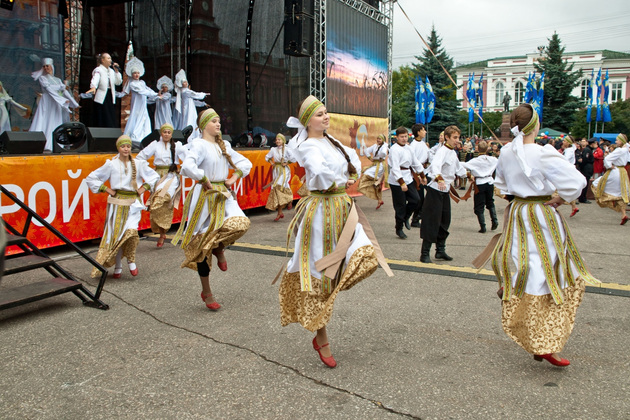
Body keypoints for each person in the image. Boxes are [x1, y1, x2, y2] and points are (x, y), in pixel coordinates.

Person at [480, 103, 599, 367]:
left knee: (529, 262)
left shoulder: (507, 152)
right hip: (541, 213)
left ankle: (522, 304)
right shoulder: (543, 152)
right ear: (535, 125)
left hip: (519, 212)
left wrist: (519, 195)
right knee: (552, 271)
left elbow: (500, 186)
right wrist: (561, 197)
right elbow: (577, 182)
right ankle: (544, 340)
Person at [279, 95, 390, 368]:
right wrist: (337, 180)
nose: (326, 117)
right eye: (319, 114)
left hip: (342, 208)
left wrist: (349, 176)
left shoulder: (333, 142)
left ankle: (327, 307)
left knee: (365, 257)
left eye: (326, 112)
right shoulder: (308, 145)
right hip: (320, 212)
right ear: (308, 121)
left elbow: (352, 161)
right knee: (319, 275)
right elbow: (317, 171)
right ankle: (322, 337)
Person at [173, 108, 252, 311]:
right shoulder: (198, 144)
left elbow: (245, 163)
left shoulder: (224, 145)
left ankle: (218, 246)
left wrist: (233, 178)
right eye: (214, 121)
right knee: (202, 246)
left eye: (219, 121)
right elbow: (187, 166)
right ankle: (207, 292)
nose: (218, 124)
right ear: (203, 126)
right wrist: (203, 178)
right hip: (205, 196)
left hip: (223, 194)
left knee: (241, 224)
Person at [86, 135, 159, 278]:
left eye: (128, 146)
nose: (126, 149)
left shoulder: (138, 163)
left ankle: (131, 260)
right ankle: (118, 267)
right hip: (117, 204)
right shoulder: (111, 164)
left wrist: (143, 188)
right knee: (118, 236)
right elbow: (91, 178)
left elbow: (154, 176)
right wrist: (107, 189)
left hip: (133, 204)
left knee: (131, 232)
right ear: (118, 148)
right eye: (123, 146)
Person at [420, 125, 469, 263]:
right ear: (447, 137)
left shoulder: (452, 152)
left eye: (458, 137)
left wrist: (470, 175)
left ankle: (440, 250)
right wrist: (439, 179)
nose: (457, 140)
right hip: (435, 190)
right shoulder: (442, 151)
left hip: (445, 190)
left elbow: (458, 169)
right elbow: (435, 166)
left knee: (444, 220)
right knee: (432, 221)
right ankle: (425, 253)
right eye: (454, 137)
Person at [136, 123, 187, 247]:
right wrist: (148, 170)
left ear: (171, 134)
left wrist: (182, 169)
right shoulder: (155, 145)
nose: (166, 134)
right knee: (155, 204)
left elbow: (188, 158)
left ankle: (163, 232)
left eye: (169, 132)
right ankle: (162, 233)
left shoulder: (177, 146)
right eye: (165, 132)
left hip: (171, 177)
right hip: (158, 177)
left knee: (163, 200)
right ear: (161, 133)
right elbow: (140, 157)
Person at [29, 58, 79, 152]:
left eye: (47, 66)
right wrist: (62, 96)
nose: (46, 68)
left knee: (56, 120)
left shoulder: (58, 80)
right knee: (45, 119)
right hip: (47, 101)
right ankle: (41, 142)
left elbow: (64, 91)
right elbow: (49, 89)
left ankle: (55, 143)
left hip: (56, 102)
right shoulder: (42, 78)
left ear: (51, 67)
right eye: (44, 66)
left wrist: (74, 103)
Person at [387, 127, 424, 239]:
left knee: (416, 200)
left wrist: (422, 175)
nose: (404, 139)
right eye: (401, 137)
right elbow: (395, 167)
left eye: (405, 136)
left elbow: (415, 162)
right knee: (400, 205)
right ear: (397, 137)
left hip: (408, 177)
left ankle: (406, 217)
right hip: (397, 180)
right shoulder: (394, 149)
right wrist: (401, 182)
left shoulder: (409, 148)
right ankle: (399, 228)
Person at [591, 133, 630, 225]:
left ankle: (607, 200)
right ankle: (623, 214)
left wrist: (609, 166)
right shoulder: (626, 150)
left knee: (597, 184)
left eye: (617, 140)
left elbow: (607, 159)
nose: (615, 141)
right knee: (621, 193)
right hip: (623, 172)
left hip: (615, 172)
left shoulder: (619, 150)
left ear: (621, 141)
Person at [462, 140, 498, 233]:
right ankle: (494, 220)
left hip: (480, 183)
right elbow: (499, 162)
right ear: (487, 149)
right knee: (490, 202)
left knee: (479, 205)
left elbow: (464, 165)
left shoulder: (475, 161)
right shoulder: (493, 159)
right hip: (489, 182)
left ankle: (483, 226)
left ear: (478, 149)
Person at [121, 57, 159, 145]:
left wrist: (156, 94)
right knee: (136, 118)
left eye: (138, 73)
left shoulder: (142, 82)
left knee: (144, 118)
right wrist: (154, 95)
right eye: (135, 73)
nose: (136, 74)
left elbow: (148, 89)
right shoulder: (132, 84)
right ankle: (135, 137)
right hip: (136, 104)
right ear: (132, 74)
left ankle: (146, 137)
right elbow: (142, 91)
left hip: (143, 104)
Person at [85, 52, 123, 128]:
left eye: (110, 58)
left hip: (110, 94)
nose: (110, 60)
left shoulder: (111, 71)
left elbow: (118, 82)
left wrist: (117, 72)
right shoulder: (98, 69)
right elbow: (96, 78)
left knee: (110, 115)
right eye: (108, 58)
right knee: (102, 115)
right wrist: (93, 86)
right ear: (102, 60)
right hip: (102, 96)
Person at [265, 133, 296, 221]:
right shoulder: (273, 149)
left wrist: (287, 163)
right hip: (276, 170)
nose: (277, 141)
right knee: (276, 189)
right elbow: (267, 157)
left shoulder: (287, 149)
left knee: (280, 186)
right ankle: (280, 212)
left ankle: (289, 200)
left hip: (284, 170)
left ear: (283, 141)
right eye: (276, 140)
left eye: (279, 139)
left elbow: (294, 158)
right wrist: (272, 163)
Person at [357, 133, 389, 209]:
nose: (378, 140)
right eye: (377, 138)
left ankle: (377, 182)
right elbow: (366, 150)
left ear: (383, 140)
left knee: (366, 174)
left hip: (380, 166)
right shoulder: (375, 146)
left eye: (380, 139)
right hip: (375, 164)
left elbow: (384, 153)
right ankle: (380, 200)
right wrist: (370, 158)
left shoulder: (385, 146)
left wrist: (380, 156)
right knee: (376, 183)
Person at [408, 123, 429, 226]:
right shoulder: (413, 145)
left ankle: (420, 216)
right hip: (417, 174)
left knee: (429, 195)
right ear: (418, 132)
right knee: (419, 198)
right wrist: (418, 175)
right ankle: (415, 219)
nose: (425, 132)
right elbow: (413, 162)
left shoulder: (423, 144)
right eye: (423, 130)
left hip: (424, 171)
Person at [561, 136, 580, 217]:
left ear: (568, 143)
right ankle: (574, 207)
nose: (563, 142)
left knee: (560, 188)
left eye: (565, 141)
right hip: (568, 171)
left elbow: (565, 160)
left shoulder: (569, 151)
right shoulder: (569, 150)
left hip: (567, 172)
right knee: (567, 189)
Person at [577, 138, 594, 204]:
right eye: (582, 141)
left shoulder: (587, 149)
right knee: (584, 183)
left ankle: (583, 198)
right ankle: (582, 197)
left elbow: (585, 159)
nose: (582, 143)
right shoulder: (583, 149)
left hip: (586, 168)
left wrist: (581, 162)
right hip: (584, 168)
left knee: (585, 183)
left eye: (584, 141)